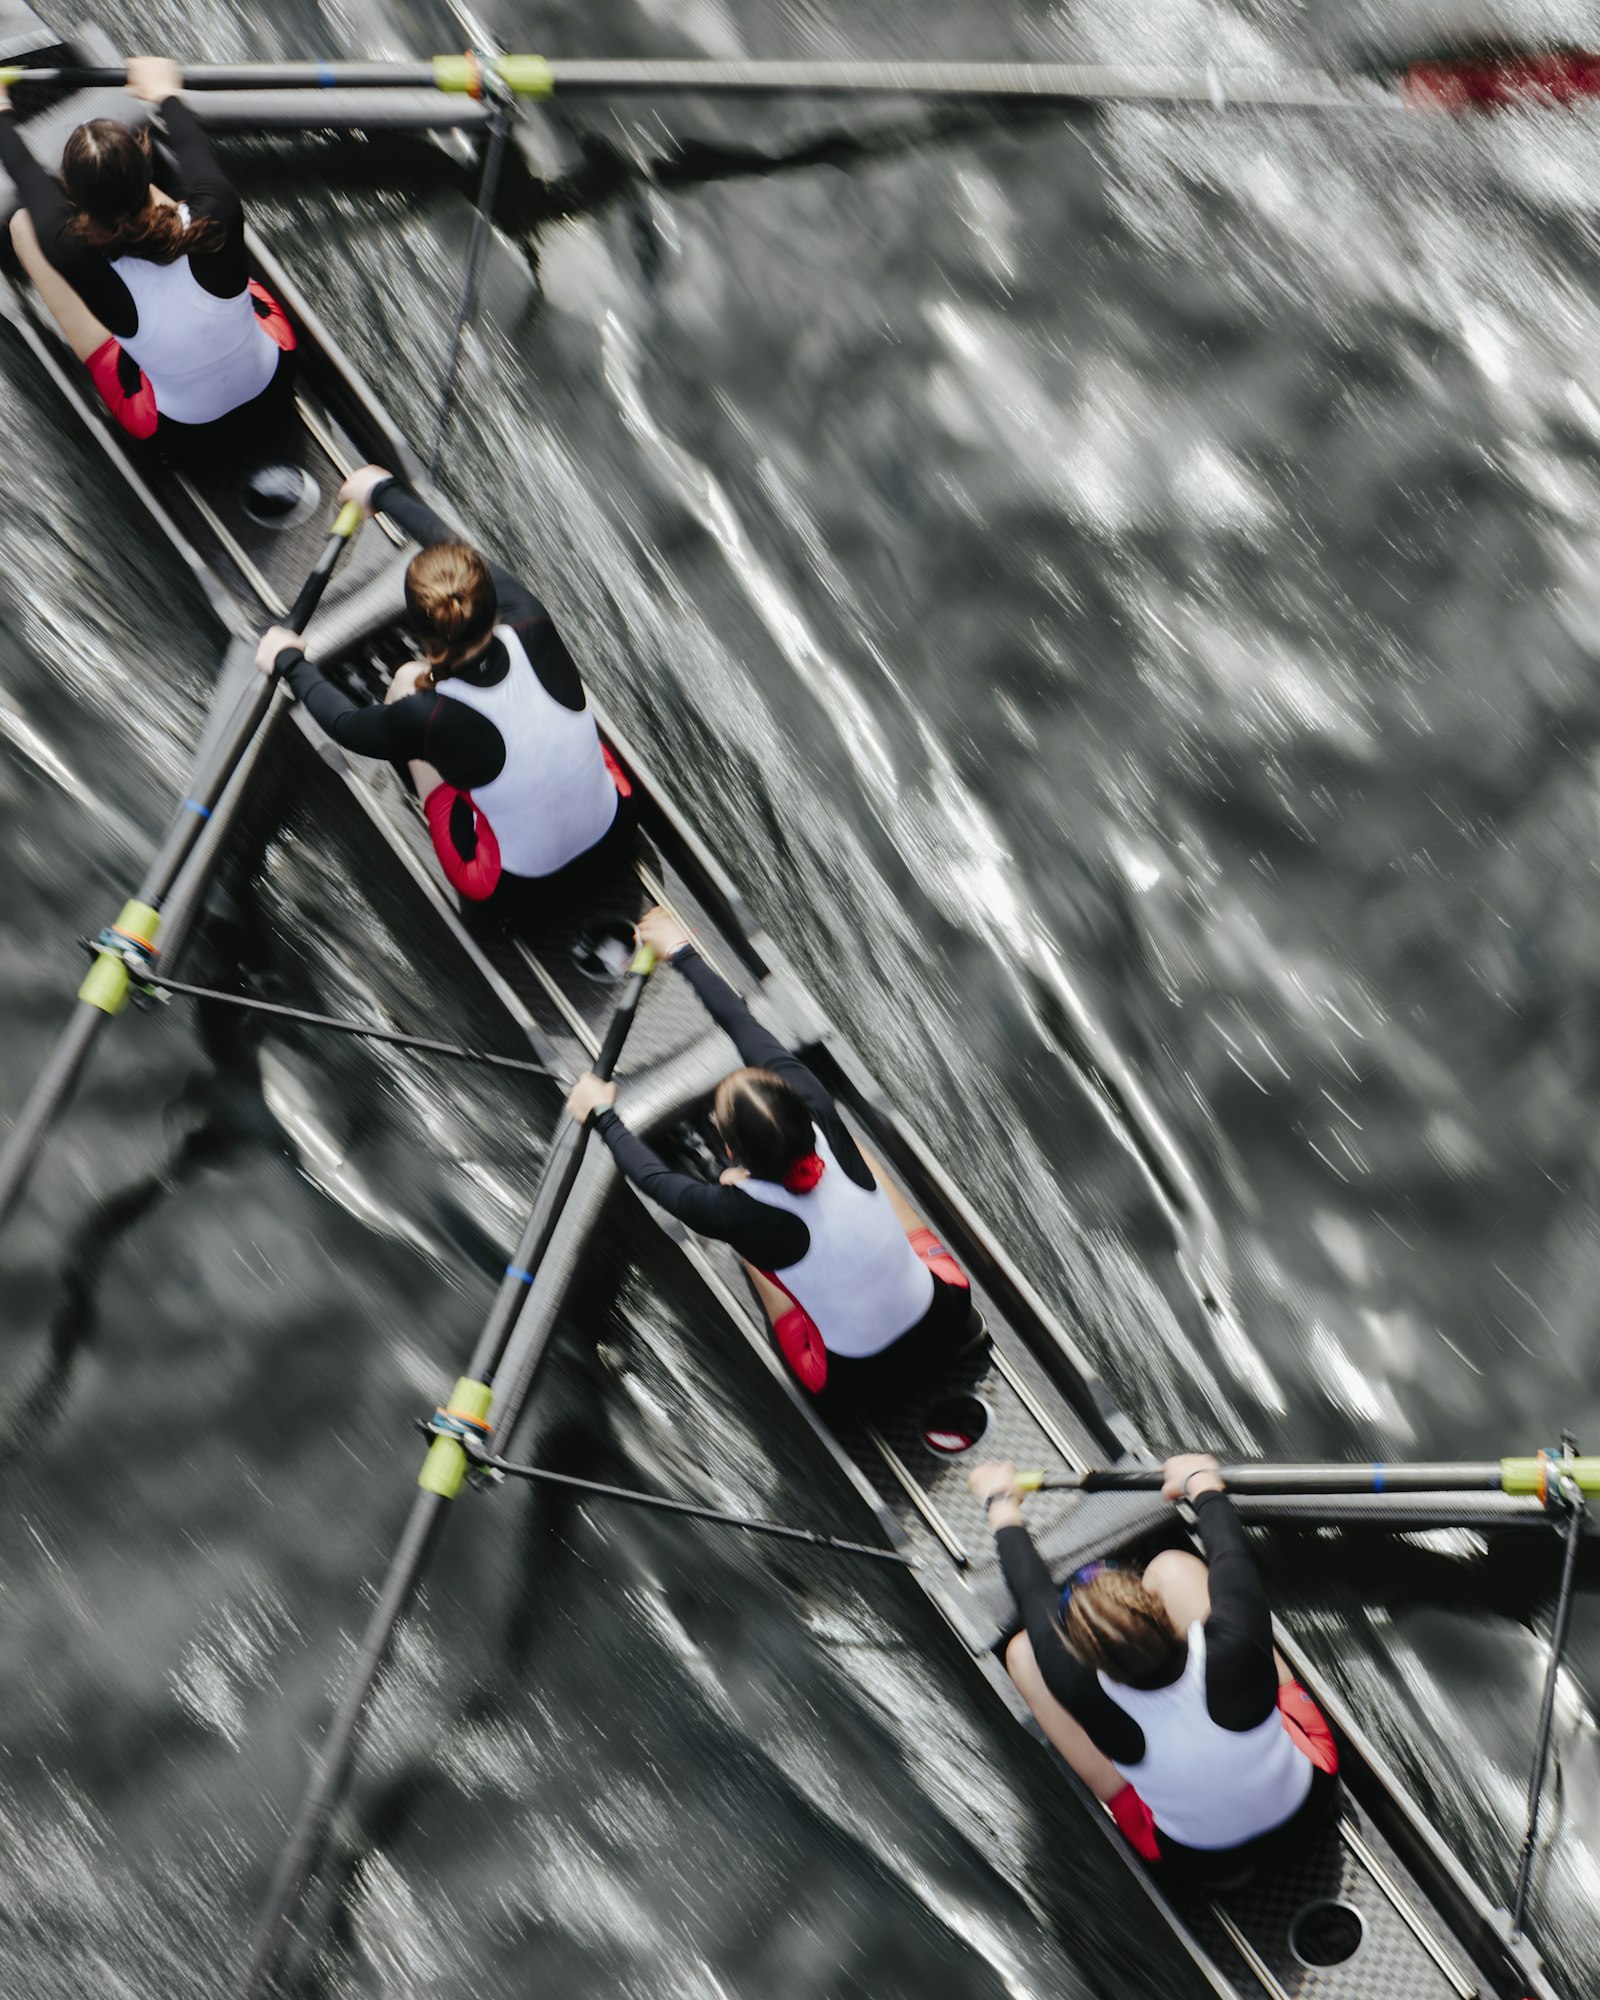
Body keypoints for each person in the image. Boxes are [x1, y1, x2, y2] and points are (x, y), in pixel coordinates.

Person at [566, 906, 984, 1411]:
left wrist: (603, 1116)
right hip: (950, 1312)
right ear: (793, 1100)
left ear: (729, 1147)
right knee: (864, 1163)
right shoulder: (818, 1106)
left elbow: (651, 1176)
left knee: (750, 1244)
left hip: (852, 1385)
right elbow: (742, 1023)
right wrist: (682, 952)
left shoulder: (732, 1212)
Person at [255, 464, 639, 928]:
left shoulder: (425, 715)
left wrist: (290, 662)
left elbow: (345, 727)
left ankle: (435, 798)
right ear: (490, 600)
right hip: (619, 836)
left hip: (517, 893)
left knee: (404, 683)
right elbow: (454, 546)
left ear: (423, 633)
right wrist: (383, 491)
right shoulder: (530, 616)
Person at [969, 1451, 1339, 1881]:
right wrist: (1199, 1480)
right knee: (1171, 1567)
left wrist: (1001, 1503)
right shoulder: (1234, 1641)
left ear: (1086, 1656)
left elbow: (1032, 1595)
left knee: (1023, 1654)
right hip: (1310, 1802)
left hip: (1198, 1863)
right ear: (1154, 1611)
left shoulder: (1077, 1686)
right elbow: (1227, 1548)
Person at [0, 57, 294, 454]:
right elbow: (190, 143)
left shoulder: (69, 250)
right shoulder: (217, 210)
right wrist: (163, 93)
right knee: (185, 227)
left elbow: (24, 171)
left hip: (182, 436)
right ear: (144, 165)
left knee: (22, 225)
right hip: (276, 383)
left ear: (73, 196)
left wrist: (2, 107)